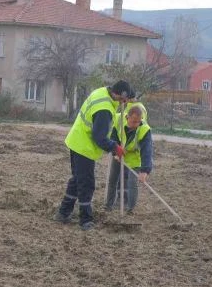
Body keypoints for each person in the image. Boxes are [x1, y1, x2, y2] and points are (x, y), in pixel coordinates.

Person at [54, 80, 133, 230]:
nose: (126, 103)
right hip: (84, 147)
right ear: (119, 95)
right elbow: (99, 138)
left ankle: (63, 213)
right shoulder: (104, 110)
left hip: (76, 141)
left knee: (77, 180)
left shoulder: (102, 92)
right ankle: (85, 220)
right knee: (86, 184)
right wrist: (114, 147)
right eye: (125, 99)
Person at [105, 104, 153, 213]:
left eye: (138, 122)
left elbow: (147, 151)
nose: (136, 124)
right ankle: (109, 205)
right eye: (134, 121)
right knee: (112, 179)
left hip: (135, 158)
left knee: (132, 182)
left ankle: (130, 209)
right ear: (127, 117)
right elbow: (113, 137)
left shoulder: (145, 130)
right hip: (119, 153)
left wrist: (145, 171)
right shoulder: (118, 120)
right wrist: (115, 152)